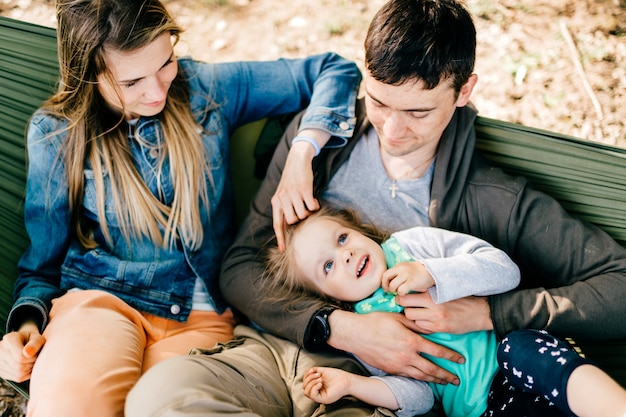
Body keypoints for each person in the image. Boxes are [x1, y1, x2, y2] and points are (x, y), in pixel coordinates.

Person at [126, 0, 626, 416]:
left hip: (381, 393)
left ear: (464, 91)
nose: (391, 130)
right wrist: (340, 326)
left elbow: (618, 284)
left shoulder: (494, 199)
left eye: (419, 111)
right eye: (380, 102)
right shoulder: (320, 143)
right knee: (159, 399)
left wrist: (491, 312)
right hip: (274, 348)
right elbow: (240, 267)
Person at [0, 0, 362, 416]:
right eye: (132, 81)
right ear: (91, 76)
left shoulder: (204, 87)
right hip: (102, 301)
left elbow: (334, 69)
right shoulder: (57, 133)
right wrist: (25, 327)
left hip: (204, 318)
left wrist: (302, 154)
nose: (156, 91)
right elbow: (40, 264)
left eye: (165, 62)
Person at [265, 206, 626, 417]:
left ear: (358, 230)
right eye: (327, 267)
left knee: (522, 351)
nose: (343, 255)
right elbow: (419, 397)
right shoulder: (364, 333)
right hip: (483, 408)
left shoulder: (410, 246)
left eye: (342, 239)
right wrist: (353, 384)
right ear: (328, 296)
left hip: (516, 348)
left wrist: (432, 273)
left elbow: (504, 269)